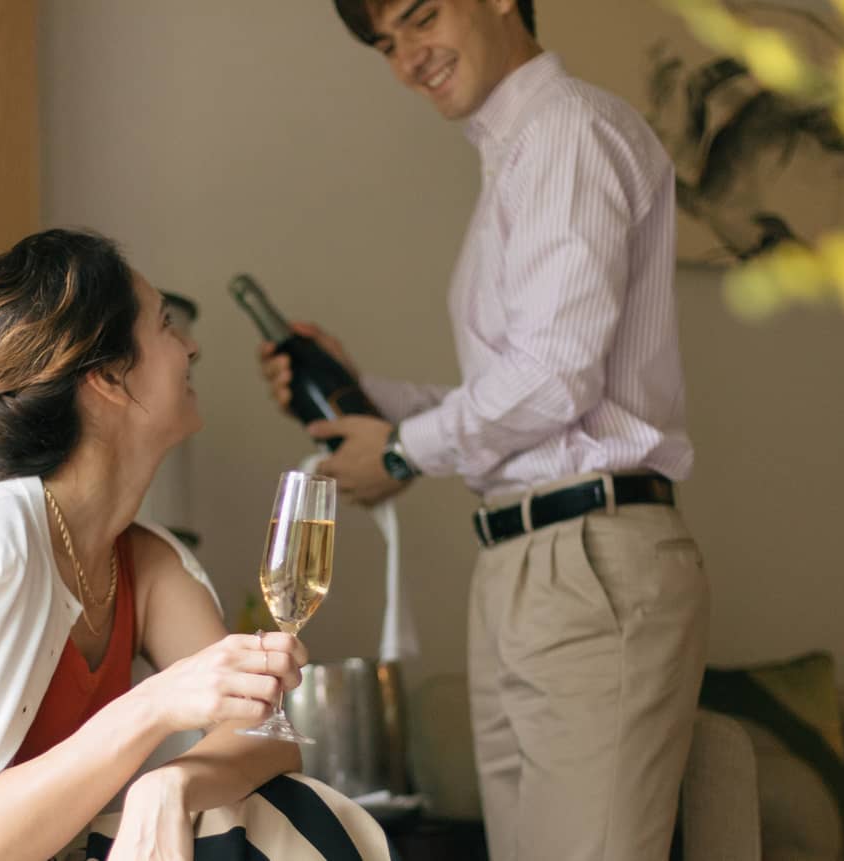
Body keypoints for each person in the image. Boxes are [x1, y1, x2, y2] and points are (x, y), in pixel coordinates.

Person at [256, 2, 710, 858]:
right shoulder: (520, 154)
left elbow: (554, 377)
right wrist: (362, 397)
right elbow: (525, 389)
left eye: (421, 17)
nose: (407, 59)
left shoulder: (568, 132)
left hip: (586, 556)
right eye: (387, 45)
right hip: (529, 560)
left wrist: (399, 452)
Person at [0, 229, 390, 860]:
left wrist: (170, 785)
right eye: (166, 325)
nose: (191, 346)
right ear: (106, 376)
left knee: (278, 804)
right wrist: (153, 705)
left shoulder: (143, 561)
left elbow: (266, 736)